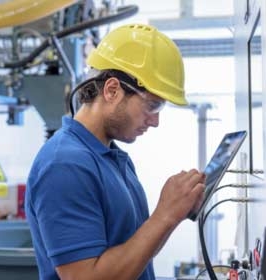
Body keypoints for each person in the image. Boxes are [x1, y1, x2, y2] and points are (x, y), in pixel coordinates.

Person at [25, 23, 206, 280]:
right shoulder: (65, 165)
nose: (155, 121)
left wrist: (175, 212)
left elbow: (132, 254)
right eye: (152, 106)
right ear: (112, 90)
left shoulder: (112, 157)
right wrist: (164, 215)